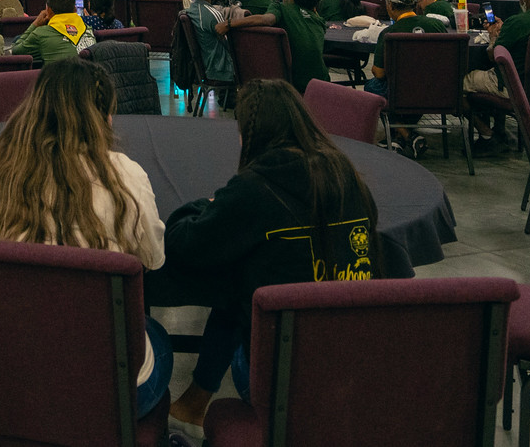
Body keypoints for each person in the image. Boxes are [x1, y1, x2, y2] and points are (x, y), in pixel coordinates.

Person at [160, 80, 377, 431]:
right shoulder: (347, 175)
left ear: (251, 134)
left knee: (240, 279)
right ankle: (196, 398)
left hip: (281, 371)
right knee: (250, 272)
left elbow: (184, 243)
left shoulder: (255, 188)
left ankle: (196, 399)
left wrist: (206, 205)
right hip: (352, 357)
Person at [0, 59, 170, 419]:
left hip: (5, 376)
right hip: (104, 386)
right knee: (158, 338)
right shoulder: (125, 176)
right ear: (102, 116)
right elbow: (152, 260)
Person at [186, 0, 273, 90]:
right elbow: (231, 46)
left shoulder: (191, 10)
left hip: (207, 67)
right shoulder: (213, 15)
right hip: (224, 69)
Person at [272, 0, 330, 92]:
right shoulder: (319, 20)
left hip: (290, 83)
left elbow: (266, 20)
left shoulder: (280, 7)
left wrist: (229, 23)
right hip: (322, 84)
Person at [12, 0, 92, 66]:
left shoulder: (41, 34)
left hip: (58, 78)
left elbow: (16, 51)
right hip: (90, 78)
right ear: (75, 9)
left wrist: (35, 24)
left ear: (49, 10)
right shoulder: (88, 29)